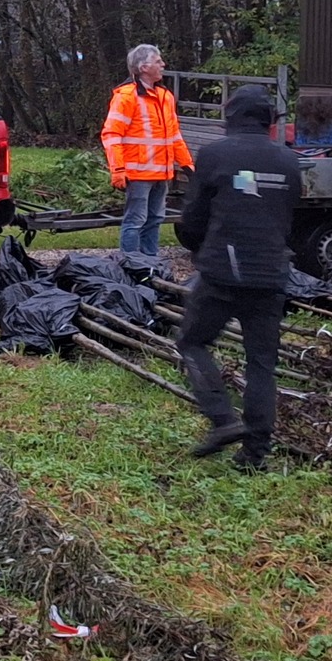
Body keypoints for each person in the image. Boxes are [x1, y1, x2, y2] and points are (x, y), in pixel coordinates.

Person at [173, 86, 302, 471]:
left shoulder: (214, 154)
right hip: (270, 273)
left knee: (193, 342)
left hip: (221, 273)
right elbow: (288, 220)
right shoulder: (289, 161)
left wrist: (197, 247)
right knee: (261, 364)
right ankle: (256, 454)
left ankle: (223, 419)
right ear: (268, 121)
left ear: (231, 117)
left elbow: (193, 217)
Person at [102, 43, 191, 267]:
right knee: (136, 220)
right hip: (138, 174)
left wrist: (187, 165)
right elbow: (112, 134)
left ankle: (151, 266)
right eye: (158, 60)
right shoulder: (126, 97)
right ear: (143, 67)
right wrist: (118, 170)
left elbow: (174, 135)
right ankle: (131, 266)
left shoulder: (164, 97)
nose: (163, 64)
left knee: (155, 220)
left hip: (161, 174)